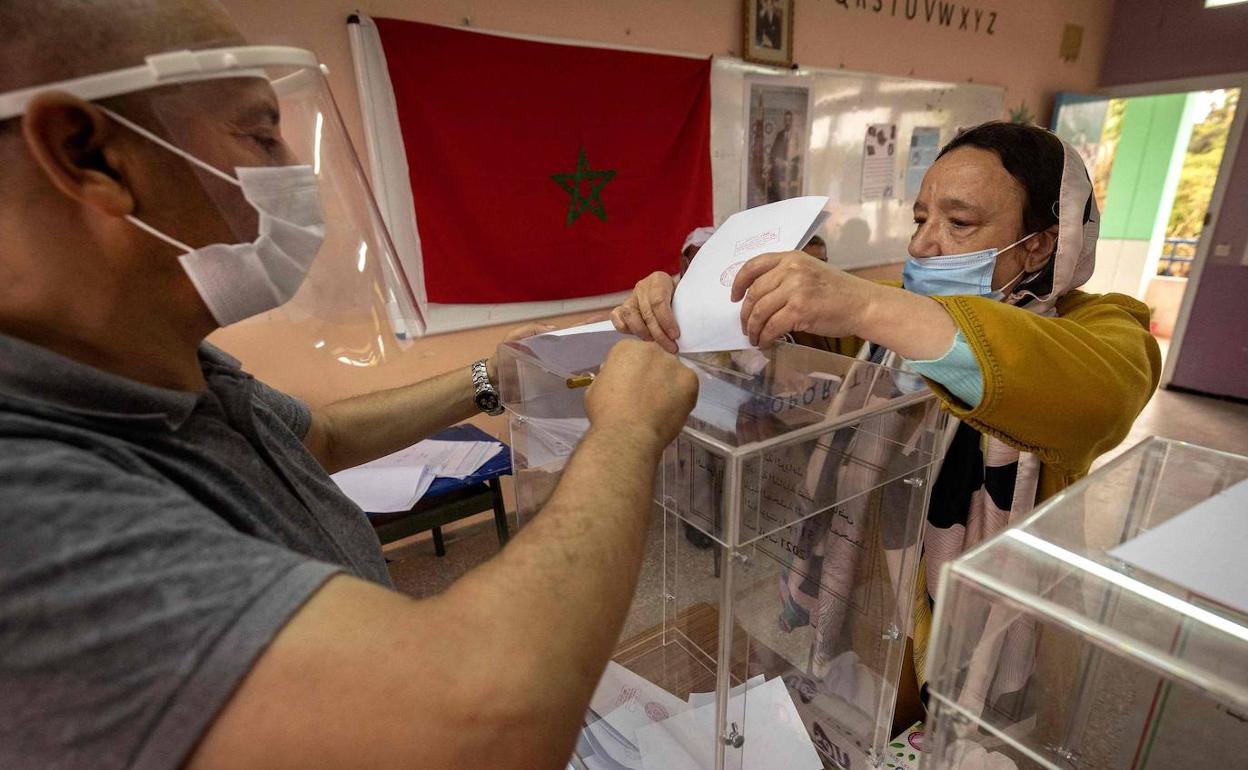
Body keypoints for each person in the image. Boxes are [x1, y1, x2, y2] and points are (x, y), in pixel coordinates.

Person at [0, 2, 698, 768]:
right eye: (260, 135)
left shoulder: (159, 361)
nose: (290, 172)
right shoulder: (27, 502)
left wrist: (488, 377)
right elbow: (479, 722)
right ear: (89, 154)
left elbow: (316, 437)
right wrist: (627, 430)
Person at [611, 121, 1161, 724]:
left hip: (986, 632)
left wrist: (865, 303)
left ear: (1038, 245)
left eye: (958, 223)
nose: (924, 244)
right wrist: (684, 308)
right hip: (869, 599)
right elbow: (784, 358)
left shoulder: (1104, 328)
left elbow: (1094, 394)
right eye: (920, 219)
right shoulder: (891, 323)